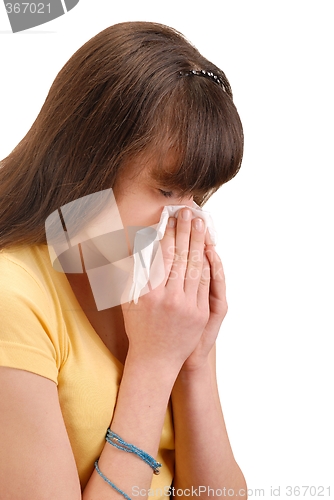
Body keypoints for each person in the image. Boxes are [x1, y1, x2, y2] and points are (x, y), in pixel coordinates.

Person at [0, 21, 246, 500]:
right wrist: (153, 366)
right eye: (166, 189)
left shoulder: (153, 289)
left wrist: (194, 359)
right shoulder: (13, 298)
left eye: (198, 195)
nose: (186, 219)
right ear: (87, 162)